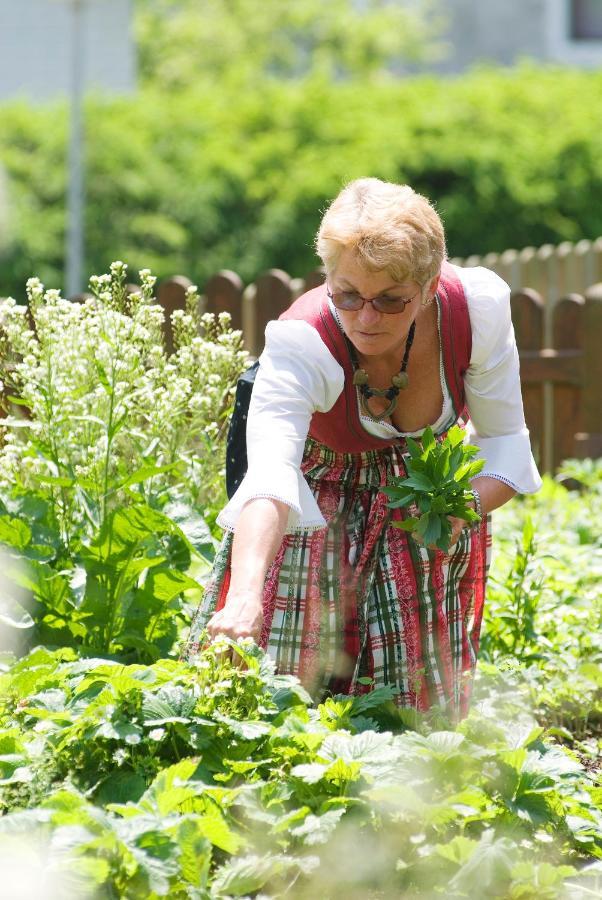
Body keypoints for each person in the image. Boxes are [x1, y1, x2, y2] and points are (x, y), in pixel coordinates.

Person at [184, 178, 542, 720]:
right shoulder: (302, 342)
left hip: (416, 495)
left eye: (390, 300)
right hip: (314, 497)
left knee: (413, 709)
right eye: (347, 295)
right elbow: (272, 475)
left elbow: (505, 444)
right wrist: (245, 596)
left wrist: (452, 510)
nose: (366, 318)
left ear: (427, 287)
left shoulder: (477, 311)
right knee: (277, 690)